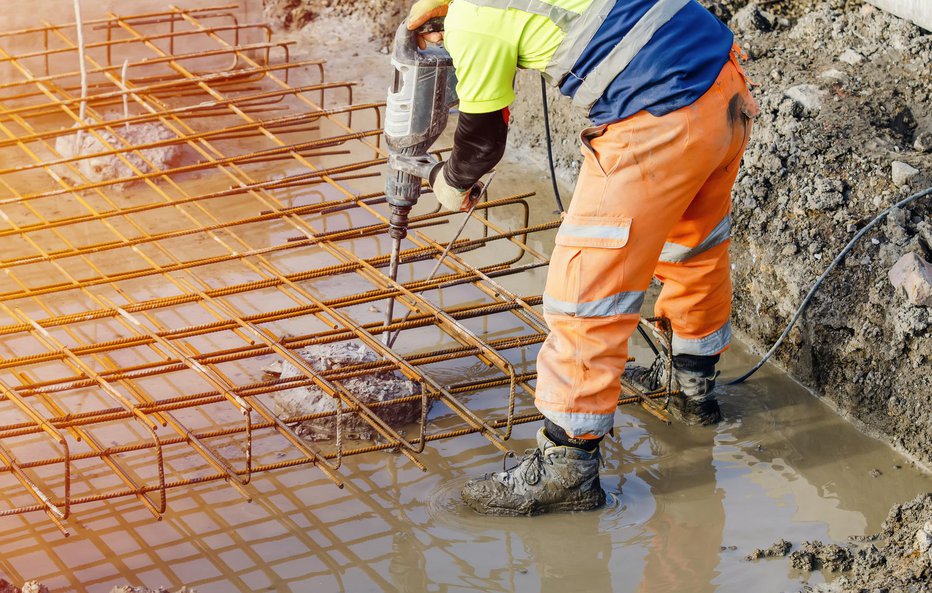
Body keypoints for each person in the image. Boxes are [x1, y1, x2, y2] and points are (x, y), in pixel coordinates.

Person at [405, 0, 758, 516]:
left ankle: (566, 467)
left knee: (587, 290)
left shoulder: (473, 19)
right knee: (693, 246)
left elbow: (481, 141)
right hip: (725, 87)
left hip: (657, 116)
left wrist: (451, 185)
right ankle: (691, 389)